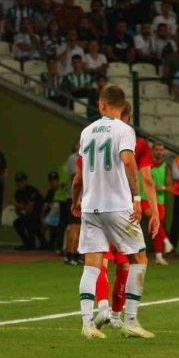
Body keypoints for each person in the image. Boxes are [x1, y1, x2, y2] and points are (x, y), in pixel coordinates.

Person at [71, 85, 160, 339]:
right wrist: (136, 197)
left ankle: (88, 324)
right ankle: (130, 320)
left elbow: (78, 178)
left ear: (102, 105)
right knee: (139, 260)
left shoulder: (87, 132)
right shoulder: (124, 130)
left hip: (90, 206)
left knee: (92, 265)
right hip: (117, 206)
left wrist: (75, 201)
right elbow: (129, 161)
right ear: (123, 107)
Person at [143, 141, 172, 265]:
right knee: (155, 221)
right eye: (157, 149)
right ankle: (166, 241)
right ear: (152, 151)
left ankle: (159, 256)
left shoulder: (166, 167)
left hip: (159, 200)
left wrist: (162, 188)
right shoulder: (146, 164)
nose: (159, 152)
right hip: (145, 197)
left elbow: (170, 186)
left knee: (156, 226)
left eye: (161, 150)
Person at [12, 172, 44, 249]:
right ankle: (27, 243)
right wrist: (20, 211)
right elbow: (18, 210)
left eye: (21, 181)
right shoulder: (18, 192)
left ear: (25, 181)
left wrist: (15, 204)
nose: (19, 183)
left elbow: (30, 208)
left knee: (31, 222)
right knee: (17, 223)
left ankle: (34, 244)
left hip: (38, 214)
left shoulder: (31, 191)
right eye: (18, 182)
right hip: (28, 215)